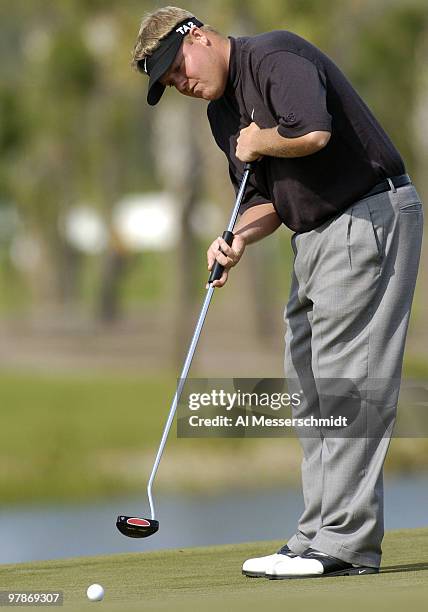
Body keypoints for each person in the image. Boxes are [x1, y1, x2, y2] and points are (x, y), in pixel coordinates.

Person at [132, 6, 424, 579]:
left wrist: (258, 140)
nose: (180, 83)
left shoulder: (273, 55)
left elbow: (311, 132)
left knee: (347, 386)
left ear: (200, 36)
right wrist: (234, 238)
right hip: (314, 236)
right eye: (168, 83)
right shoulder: (222, 116)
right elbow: (262, 200)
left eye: (177, 67)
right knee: (309, 388)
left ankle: (345, 543)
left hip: (366, 215)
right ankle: (316, 534)